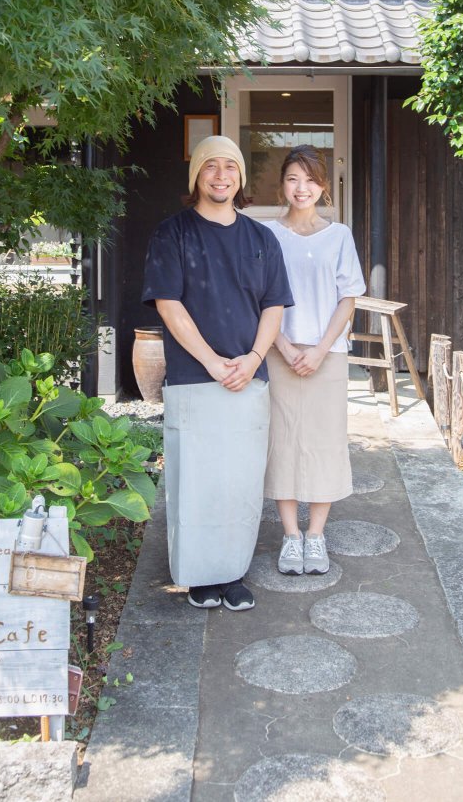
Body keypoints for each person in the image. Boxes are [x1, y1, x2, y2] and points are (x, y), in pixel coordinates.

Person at [141, 135, 293, 611]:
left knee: (239, 484)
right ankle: (198, 576)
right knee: (197, 482)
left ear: (241, 177)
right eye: (211, 166)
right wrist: (210, 360)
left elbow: (274, 306)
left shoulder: (261, 238)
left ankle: (232, 574)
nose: (221, 175)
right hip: (193, 377)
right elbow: (169, 303)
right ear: (197, 176)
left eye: (230, 166)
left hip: (249, 379)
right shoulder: (173, 233)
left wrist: (251, 359)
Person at [262, 145, 366, 576]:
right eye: (292, 178)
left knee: (324, 442)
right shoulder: (266, 234)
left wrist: (321, 348)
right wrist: (283, 346)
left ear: (323, 186)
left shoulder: (338, 235)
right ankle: (290, 537)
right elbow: (259, 298)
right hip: (277, 351)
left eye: (309, 180)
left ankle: (317, 536)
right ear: (282, 184)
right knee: (282, 442)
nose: (300, 188)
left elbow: (348, 297)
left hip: (328, 355)